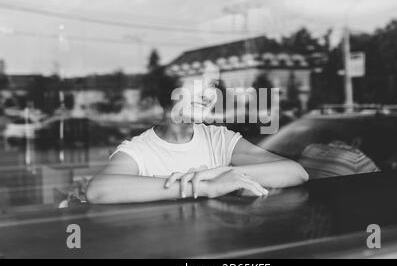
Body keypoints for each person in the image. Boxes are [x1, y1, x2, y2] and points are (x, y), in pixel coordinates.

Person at [86, 66, 308, 204]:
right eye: (198, 82)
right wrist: (204, 187)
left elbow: (296, 172)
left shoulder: (219, 138)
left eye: (212, 85)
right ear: (170, 90)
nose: (209, 93)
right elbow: (99, 191)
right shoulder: (138, 150)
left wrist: (226, 173)